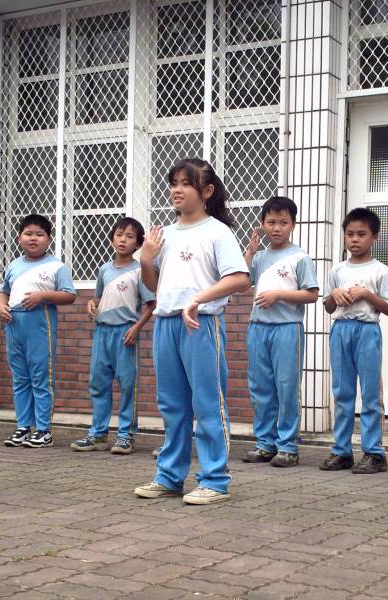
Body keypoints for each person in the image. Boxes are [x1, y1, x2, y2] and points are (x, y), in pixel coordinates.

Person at [133, 159, 249, 505]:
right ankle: (169, 477)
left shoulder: (218, 232)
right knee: (171, 405)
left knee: (207, 402)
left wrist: (199, 298)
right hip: (166, 322)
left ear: (207, 191)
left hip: (201, 324)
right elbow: (154, 285)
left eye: (186, 183)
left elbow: (239, 278)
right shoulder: (164, 235)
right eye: (174, 183)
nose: (177, 190)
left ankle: (215, 480)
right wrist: (146, 260)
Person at [242, 196, 319, 468]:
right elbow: (242, 283)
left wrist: (278, 295)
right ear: (263, 224)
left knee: (286, 388)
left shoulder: (300, 257)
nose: (277, 228)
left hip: (287, 329)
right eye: (271, 222)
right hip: (258, 328)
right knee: (260, 387)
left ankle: (288, 446)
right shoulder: (260, 257)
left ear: (293, 225)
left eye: (283, 222)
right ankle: (265, 443)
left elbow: (312, 294)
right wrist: (249, 253)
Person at [321, 208, 388, 474]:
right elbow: (328, 307)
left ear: (374, 237)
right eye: (350, 234)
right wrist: (334, 293)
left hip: (367, 331)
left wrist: (366, 294)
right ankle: (341, 451)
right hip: (341, 330)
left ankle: (374, 452)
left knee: (370, 393)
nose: (354, 239)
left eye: (361, 234)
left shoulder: (381, 270)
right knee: (342, 393)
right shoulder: (337, 270)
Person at [71, 217, 154, 455]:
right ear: (112, 239)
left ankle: (126, 435)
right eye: (119, 235)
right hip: (102, 332)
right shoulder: (104, 270)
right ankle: (98, 434)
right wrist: (91, 304)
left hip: (125, 334)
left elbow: (151, 304)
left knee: (127, 384)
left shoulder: (140, 271)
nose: (123, 240)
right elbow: (98, 298)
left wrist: (136, 328)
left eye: (129, 237)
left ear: (138, 244)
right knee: (98, 383)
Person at [0, 214, 76, 448]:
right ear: (19, 238)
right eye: (28, 234)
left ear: (49, 239)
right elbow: (4, 292)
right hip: (14, 324)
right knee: (20, 378)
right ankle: (23, 427)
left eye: (40, 234)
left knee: (41, 377)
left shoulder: (56, 266)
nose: (33, 238)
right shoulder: (13, 265)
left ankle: (43, 430)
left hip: (40, 323)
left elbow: (69, 295)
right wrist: (0, 306)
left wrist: (43, 296)